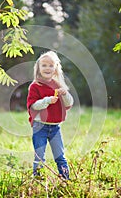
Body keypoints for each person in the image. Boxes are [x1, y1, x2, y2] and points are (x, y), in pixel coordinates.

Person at [27, 51, 73, 180]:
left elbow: (69, 103)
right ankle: (38, 181)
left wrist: (65, 94)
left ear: (55, 69)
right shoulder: (35, 86)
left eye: (51, 65)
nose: (47, 68)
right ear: (39, 68)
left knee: (60, 155)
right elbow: (33, 105)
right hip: (39, 126)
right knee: (39, 156)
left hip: (55, 127)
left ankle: (66, 179)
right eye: (44, 65)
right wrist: (47, 100)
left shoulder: (58, 85)